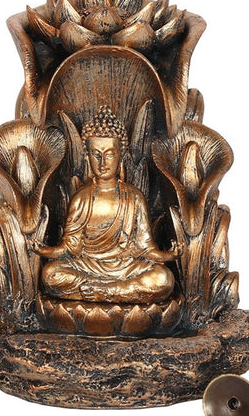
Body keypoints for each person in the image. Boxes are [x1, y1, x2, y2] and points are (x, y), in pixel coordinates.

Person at [32, 106, 181, 304]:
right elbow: (70, 247)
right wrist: (44, 250)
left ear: (121, 156)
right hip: (89, 266)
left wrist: (169, 255)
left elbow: (145, 248)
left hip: (125, 267)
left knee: (163, 279)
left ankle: (104, 291)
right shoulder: (81, 199)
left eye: (109, 154)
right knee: (51, 274)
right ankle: (118, 292)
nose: (103, 162)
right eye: (96, 154)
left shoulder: (134, 198)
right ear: (87, 156)